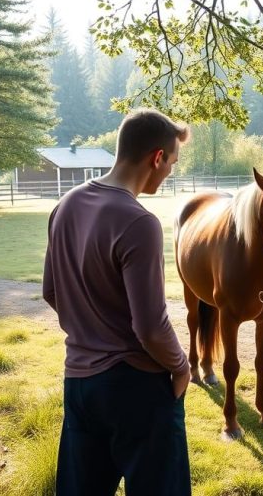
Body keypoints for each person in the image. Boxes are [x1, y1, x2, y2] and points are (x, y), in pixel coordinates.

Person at [43, 108, 192, 496]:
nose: (170, 171)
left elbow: (51, 291)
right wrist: (181, 367)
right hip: (137, 387)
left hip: (79, 383)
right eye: (172, 162)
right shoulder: (138, 221)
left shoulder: (65, 206)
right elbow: (150, 327)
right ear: (156, 158)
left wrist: (91, 331)